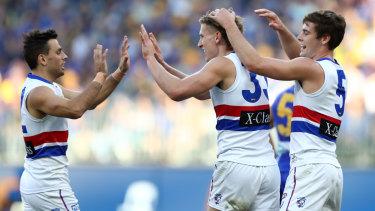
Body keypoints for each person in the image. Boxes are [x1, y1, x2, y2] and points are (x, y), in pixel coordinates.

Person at [140, 10, 280, 211]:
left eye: (202, 36)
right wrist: (164, 65)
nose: (199, 44)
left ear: (217, 37)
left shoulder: (221, 65)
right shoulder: (253, 65)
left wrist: (149, 59)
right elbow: (201, 90)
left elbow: (176, 91)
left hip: (236, 167)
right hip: (268, 170)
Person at [210, 8, 347, 211]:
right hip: (331, 170)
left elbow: (255, 63)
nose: (300, 37)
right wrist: (281, 30)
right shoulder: (334, 69)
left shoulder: (311, 68)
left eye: (306, 32)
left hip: (309, 169)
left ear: (325, 38)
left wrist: (230, 25)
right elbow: (298, 58)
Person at [20, 29, 130, 210]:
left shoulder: (49, 88)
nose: (65, 56)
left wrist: (119, 72)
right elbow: (76, 109)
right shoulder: (39, 92)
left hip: (37, 181)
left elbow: (90, 101)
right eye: (58, 52)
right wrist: (99, 75)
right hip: (49, 185)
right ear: (43, 59)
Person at [270, 84, 294, 202]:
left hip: (281, 163)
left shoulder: (281, 96)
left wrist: (272, 154)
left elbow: (264, 124)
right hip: (304, 163)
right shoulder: (309, 96)